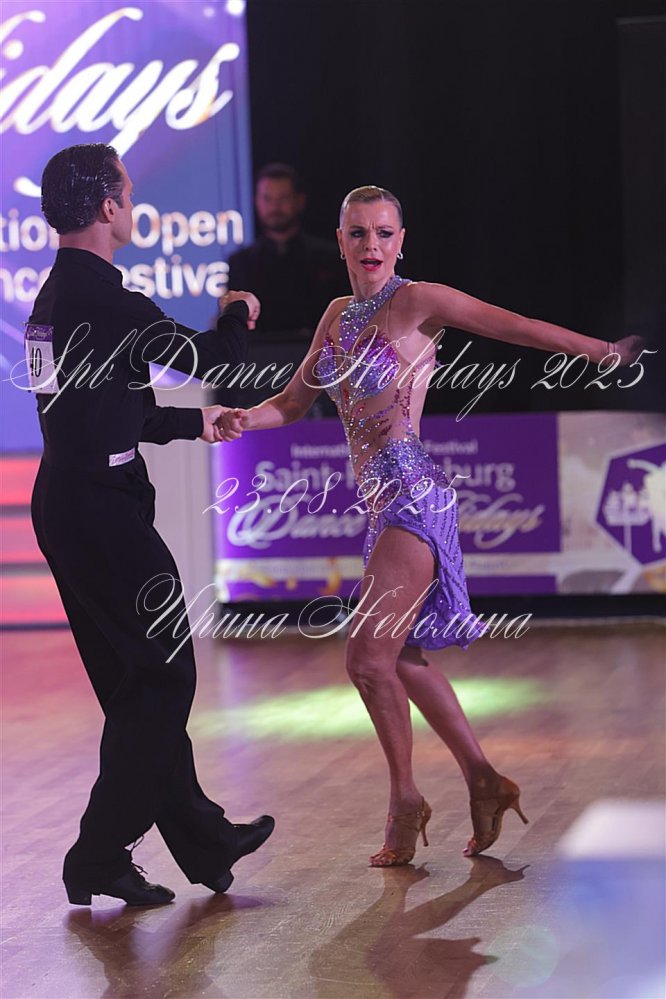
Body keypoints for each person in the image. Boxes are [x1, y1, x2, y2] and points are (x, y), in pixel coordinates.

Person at [217, 185, 644, 867]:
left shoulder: (418, 301)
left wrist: (598, 350)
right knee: (403, 657)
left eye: (384, 233)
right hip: (379, 505)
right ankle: (484, 778)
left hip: (414, 496)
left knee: (367, 659)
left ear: (402, 240)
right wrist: (239, 418)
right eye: (359, 233)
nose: (372, 246)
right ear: (340, 241)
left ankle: (406, 800)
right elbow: (293, 402)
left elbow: (514, 326)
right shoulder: (336, 314)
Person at [28, 143, 274, 906]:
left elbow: (110, 411)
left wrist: (197, 425)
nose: (132, 205)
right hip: (103, 514)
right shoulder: (110, 301)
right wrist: (237, 310)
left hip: (67, 504)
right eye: (129, 194)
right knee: (165, 677)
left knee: (138, 684)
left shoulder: (54, 300)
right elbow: (213, 357)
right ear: (108, 207)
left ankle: (204, 840)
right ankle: (97, 855)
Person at [226, 163, 345, 337]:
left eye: (283, 198)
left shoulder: (329, 258)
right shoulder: (240, 263)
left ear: (299, 201)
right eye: (267, 199)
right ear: (256, 201)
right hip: (257, 353)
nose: (274, 207)